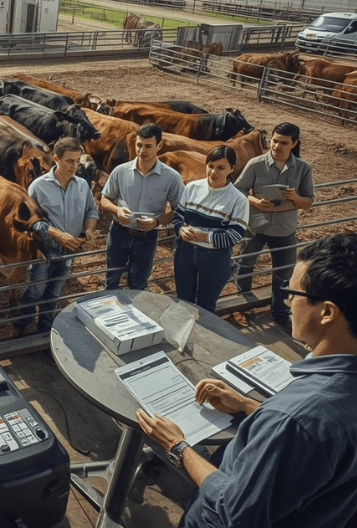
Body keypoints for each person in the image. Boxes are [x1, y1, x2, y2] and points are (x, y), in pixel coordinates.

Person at [137, 232, 357, 528]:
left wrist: (177, 445)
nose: (288, 301)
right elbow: (311, 447)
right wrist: (246, 405)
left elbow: (234, 511)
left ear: (327, 312)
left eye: (294, 293)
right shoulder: (310, 411)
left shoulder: (294, 418)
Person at [234, 122, 314, 330]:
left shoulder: (303, 168)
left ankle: (279, 311)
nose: (277, 146)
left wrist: (295, 197)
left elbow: (308, 202)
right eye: (274, 141)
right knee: (245, 265)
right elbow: (238, 190)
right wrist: (255, 202)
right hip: (256, 225)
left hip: (284, 229)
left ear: (294, 143)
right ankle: (241, 307)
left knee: (284, 271)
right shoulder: (255, 164)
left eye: (284, 143)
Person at [17, 137, 99, 334]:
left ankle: (44, 330)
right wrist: (57, 234)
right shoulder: (38, 186)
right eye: (69, 161)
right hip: (43, 250)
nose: (74, 166)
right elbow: (29, 220)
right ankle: (21, 325)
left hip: (69, 250)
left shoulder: (82, 185)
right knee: (36, 290)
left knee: (54, 292)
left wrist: (89, 230)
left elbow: (91, 211)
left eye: (77, 161)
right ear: (56, 159)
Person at [101, 123, 184, 291]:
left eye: (148, 146)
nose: (142, 150)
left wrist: (157, 222)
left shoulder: (172, 178)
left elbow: (180, 210)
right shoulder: (120, 171)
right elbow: (104, 199)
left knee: (138, 284)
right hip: (118, 233)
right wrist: (117, 210)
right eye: (139, 145)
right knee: (111, 280)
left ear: (159, 146)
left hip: (147, 238)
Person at [173, 145, 249, 314]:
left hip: (215, 258)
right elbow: (178, 215)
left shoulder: (238, 199)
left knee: (206, 307)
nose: (213, 172)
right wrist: (181, 229)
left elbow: (235, 235)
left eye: (221, 168)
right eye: (210, 166)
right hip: (185, 252)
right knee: (183, 303)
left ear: (232, 169)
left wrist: (205, 237)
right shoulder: (192, 187)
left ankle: (202, 332)